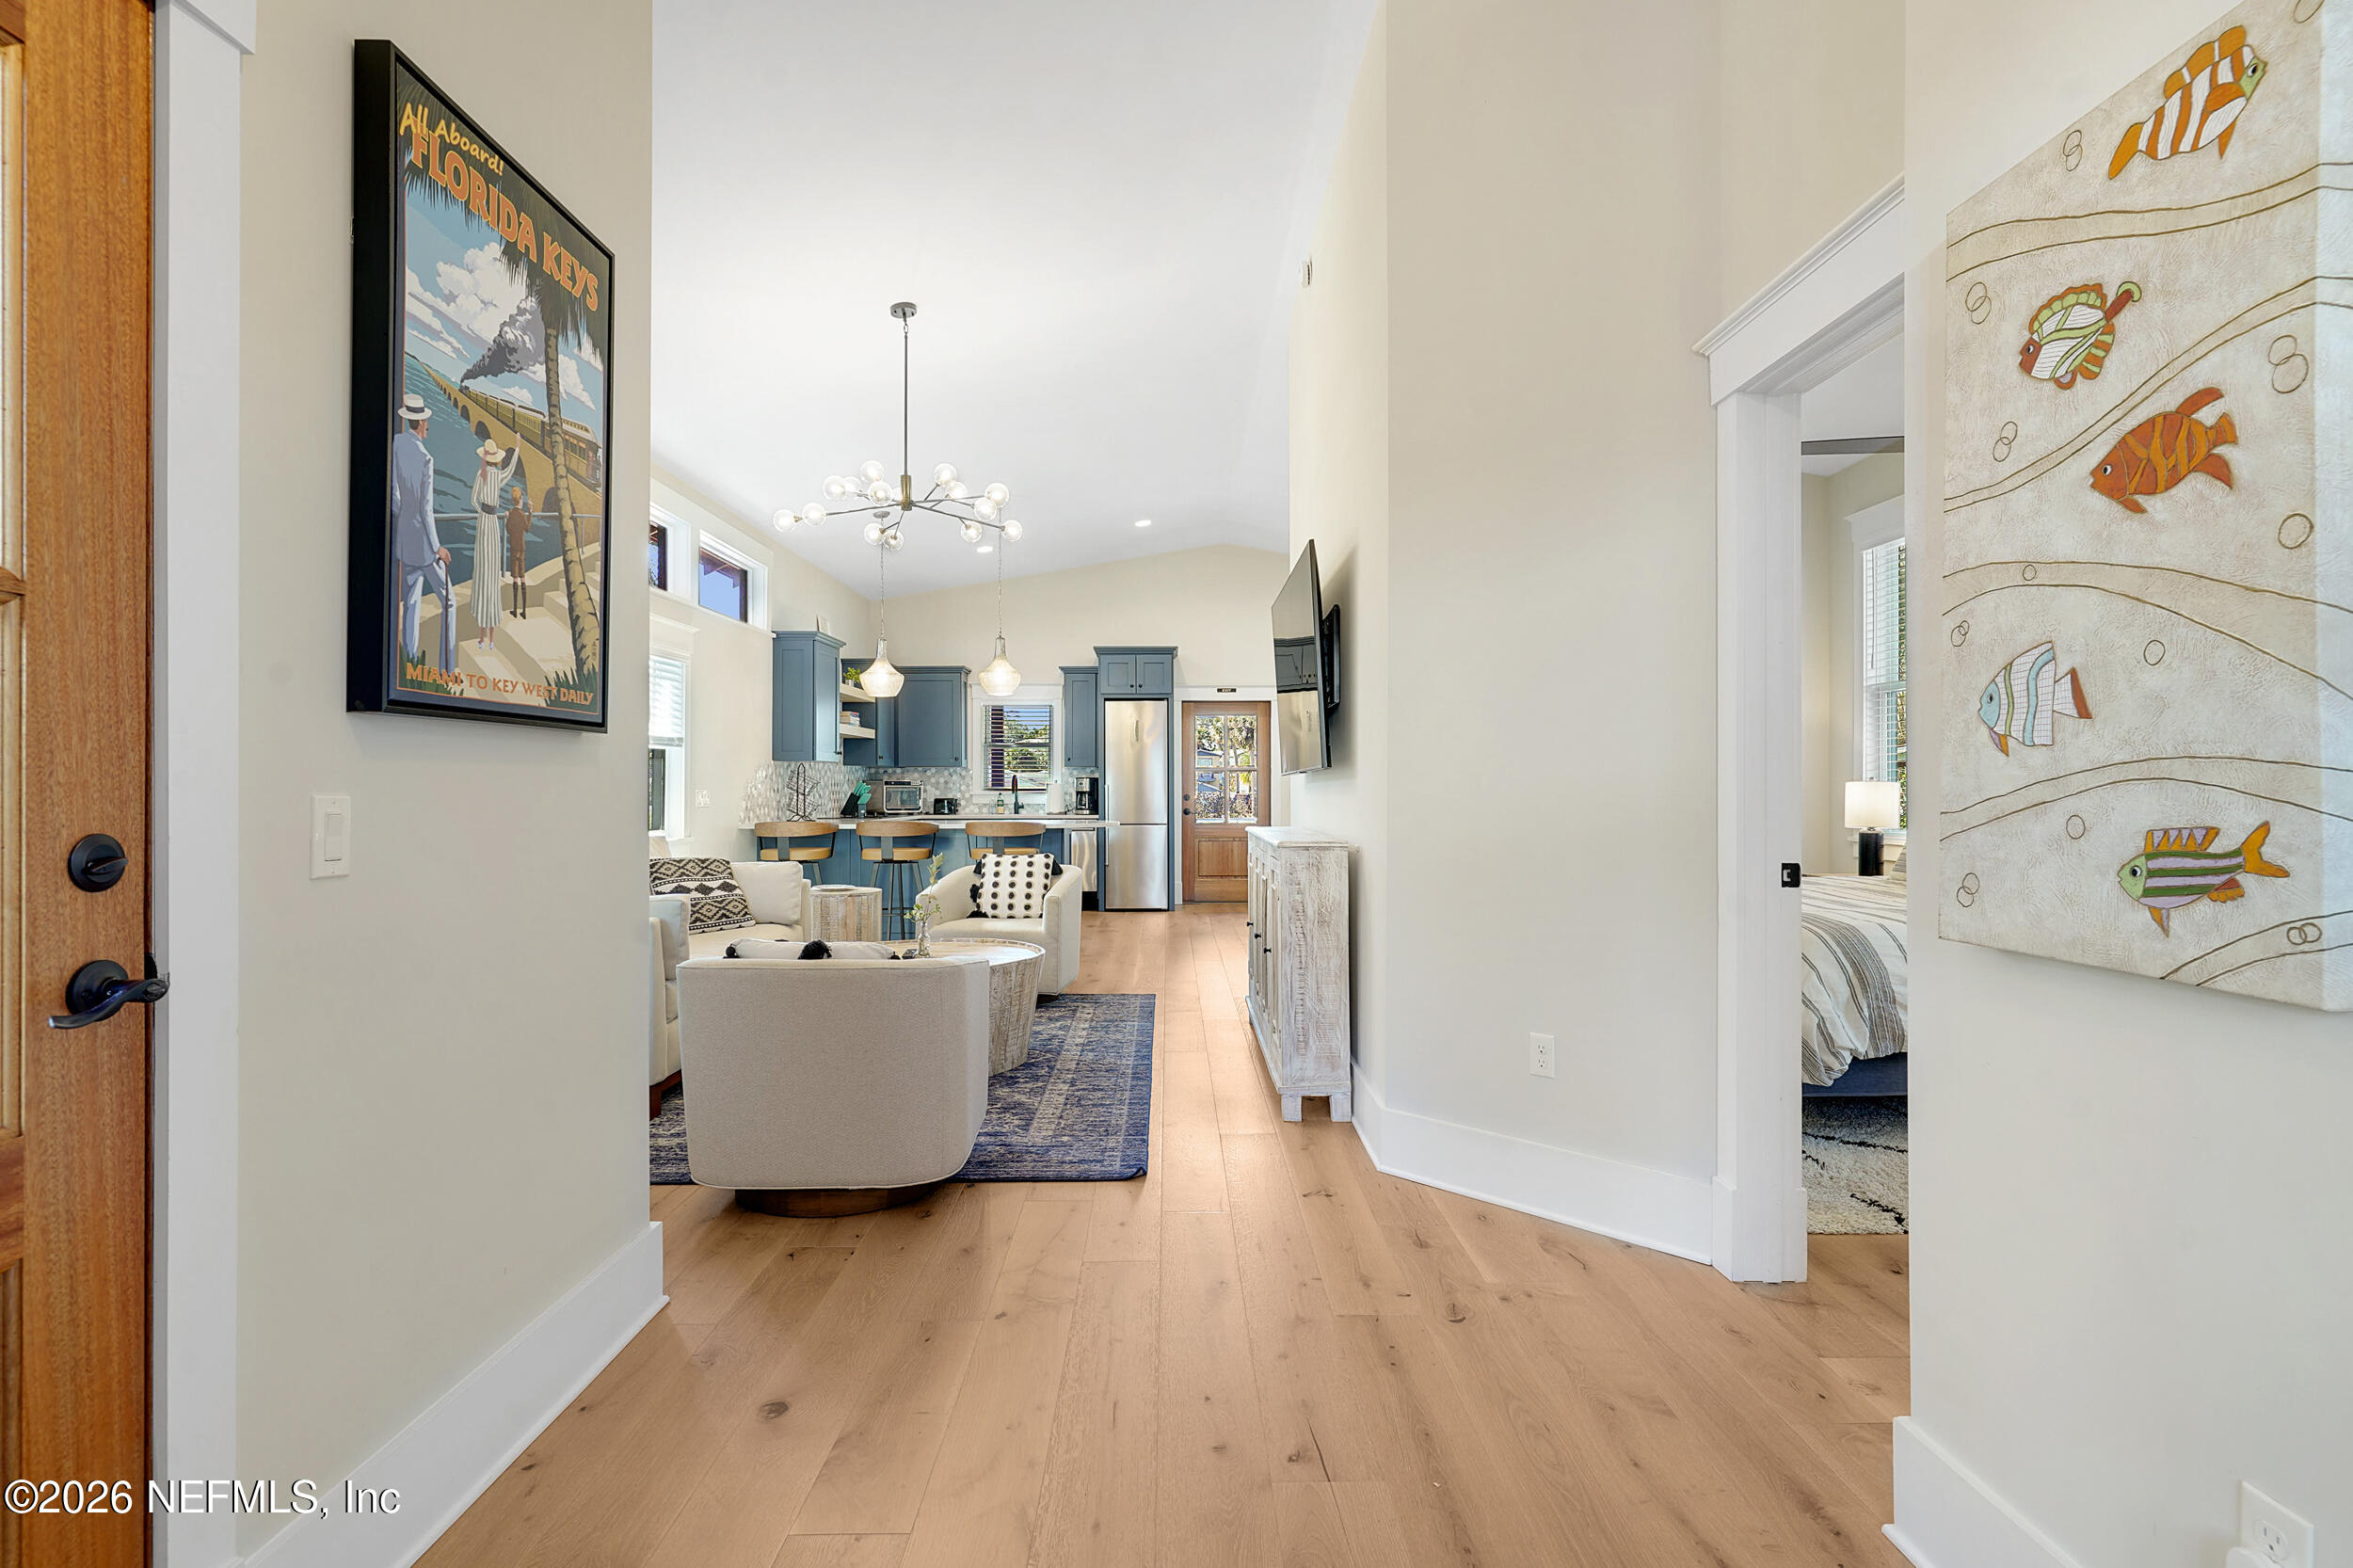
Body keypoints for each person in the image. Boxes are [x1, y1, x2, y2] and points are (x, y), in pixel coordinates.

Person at [391, 392, 453, 672]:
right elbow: (427, 509)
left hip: (405, 539)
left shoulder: (396, 443)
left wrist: (404, 517)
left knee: (412, 601)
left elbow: (394, 493)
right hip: (425, 546)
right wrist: (437, 546)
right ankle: (447, 668)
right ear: (420, 423)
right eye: (426, 421)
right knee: (449, 601)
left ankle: (410, 662)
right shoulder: (426, 458)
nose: (428, 426)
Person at [469, 438, 520, 650]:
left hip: (483, 522)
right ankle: (491, 638)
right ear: (496, 459)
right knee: (491, 572)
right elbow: (511, 469)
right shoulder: (498, 476)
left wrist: (482, 512)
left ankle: (481, 636)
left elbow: (473, 500)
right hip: (492, 523)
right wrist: (517, 447)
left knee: (482, 571)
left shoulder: (480, 475)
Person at [504, 484, 531, 616]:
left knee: (515, 578)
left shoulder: (511, 513)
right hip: (521, 548)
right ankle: (524, 611)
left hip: (513, 548)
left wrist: (507, 518)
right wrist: (530, 512)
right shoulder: (522, 514)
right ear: (520, 500)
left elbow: (508, 530)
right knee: (522, 577)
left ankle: (515, 609)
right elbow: (527, 528)